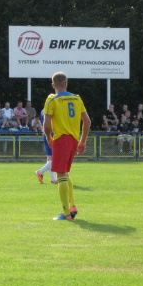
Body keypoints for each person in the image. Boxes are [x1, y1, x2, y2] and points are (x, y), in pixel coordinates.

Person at [43, 72, 91, 220]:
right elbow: (87, 121)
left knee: (60, 174)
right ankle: (72, 206)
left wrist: (48, 137)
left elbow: (46, 124)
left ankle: (65, 213)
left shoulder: (52, 100)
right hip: (73, 139)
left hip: (61, 139)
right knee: (65, 173)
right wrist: (82, 141)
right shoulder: (77, 98)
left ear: (53, 85)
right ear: (66, 84)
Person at [35, 108, 57, 184]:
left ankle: (53, 179)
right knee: (56, 158)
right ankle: (39, 172)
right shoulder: (52, 109)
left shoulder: (43, 110)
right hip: (52, 134)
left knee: (50, 159)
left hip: (46, 134)